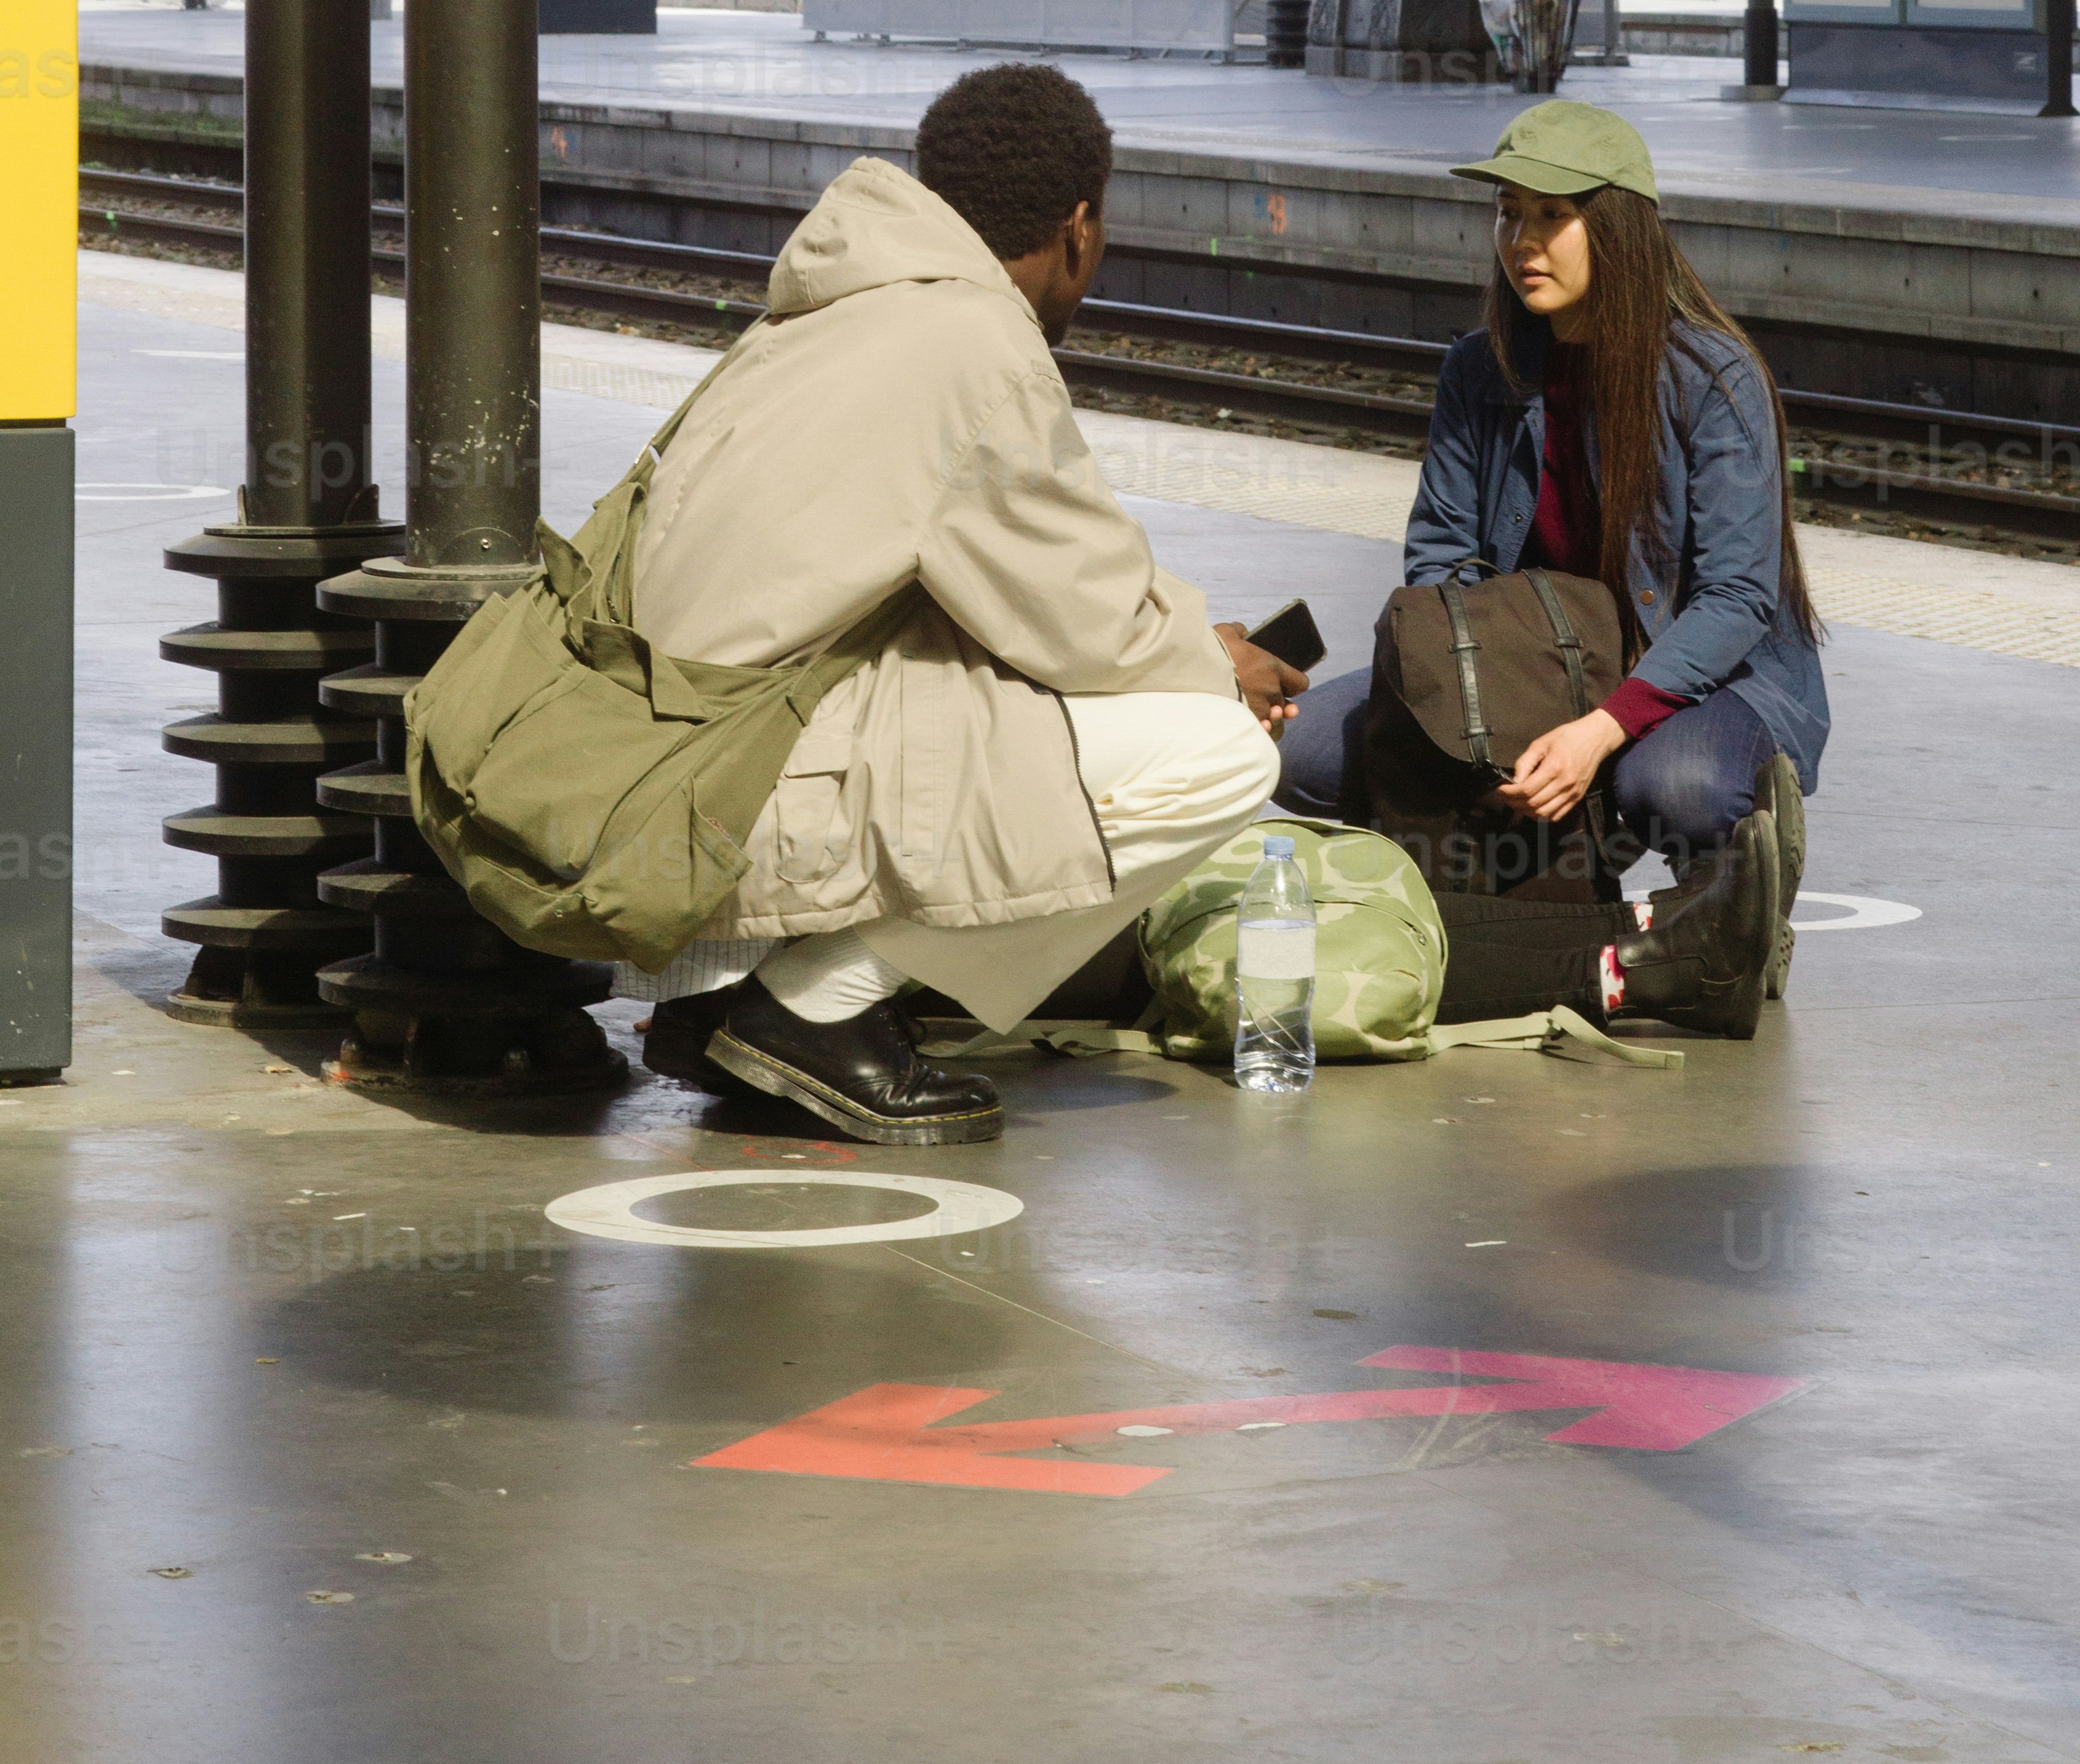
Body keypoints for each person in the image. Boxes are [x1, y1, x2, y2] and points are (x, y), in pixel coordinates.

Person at [601, 60, 1292, 1146]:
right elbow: (1087, 621)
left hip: (673, 780)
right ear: (1077, 228)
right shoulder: (974, 340)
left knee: (1022, 701)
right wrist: (1219, 666)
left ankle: (723, 1002)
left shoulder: (831, 304)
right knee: (1220, 754)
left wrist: (1184, 637)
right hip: (744, 798)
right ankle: (808, 1013)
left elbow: (1002, 576)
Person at [1277, 94, 1821, 1040]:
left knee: (1675, 786)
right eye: (1507, 213)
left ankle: (1739, 895)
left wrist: (1596, 731)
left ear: (1615, 227)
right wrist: (1476, 719)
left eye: (1550, 215)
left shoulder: (1712, 375)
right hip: (1527, 663)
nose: (1521, 240)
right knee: (1309, 749)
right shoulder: (1476, 371)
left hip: (1696, 673)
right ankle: (1506, 905)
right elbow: (1439, 556)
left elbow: (1737, 596)